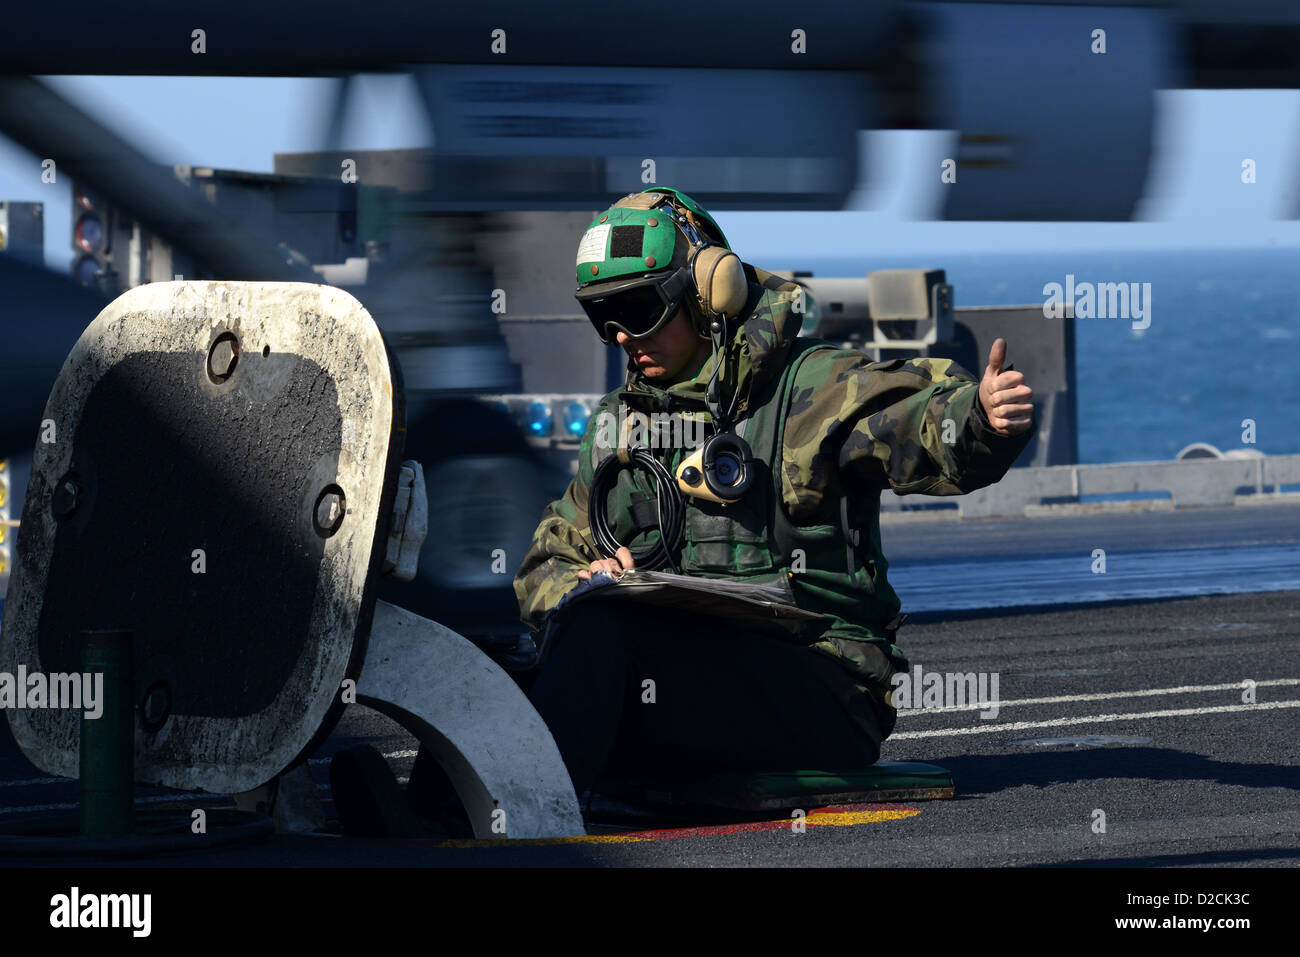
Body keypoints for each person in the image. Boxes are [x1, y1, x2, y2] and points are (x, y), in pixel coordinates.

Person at [513, 187, 1034, 799]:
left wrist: (980, 419)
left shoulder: (812, 389)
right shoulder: (617, 428)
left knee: (601, 639)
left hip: (824, 685)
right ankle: (426, 837)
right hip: (687, 681)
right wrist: (583, 584)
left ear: (707, 291)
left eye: (639, 308)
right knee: (504, 681)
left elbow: (918, 421)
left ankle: (526, 830)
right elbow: (547, 563)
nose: (623, 336)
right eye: (603, 316)